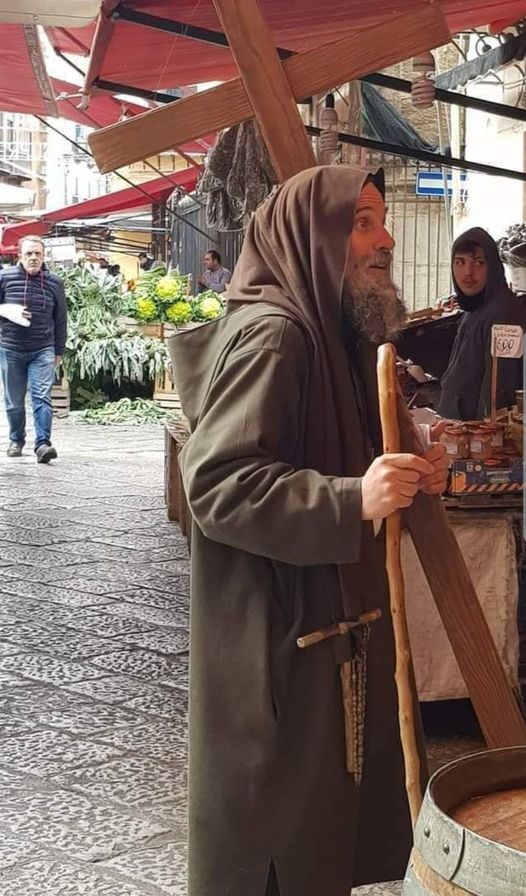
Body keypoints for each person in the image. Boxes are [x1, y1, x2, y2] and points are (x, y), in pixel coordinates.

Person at [169, 166, 448, 896]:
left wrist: (413, 467)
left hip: (319, 642)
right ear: (309, 237)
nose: (384, 239)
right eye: (361, 221)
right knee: (278, 854)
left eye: (380, 220)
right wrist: (353, 498)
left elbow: (333, 452)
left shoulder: (329, 334)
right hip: (278, 653)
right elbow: (219, 481)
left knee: (319, 845)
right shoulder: (275, 337)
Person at [438, 227, 526, 420]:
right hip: (456, 428)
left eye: (479, 263)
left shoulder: (505, 312)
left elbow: (499, 387)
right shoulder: (475, 305)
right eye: (460, 262)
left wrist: (487, 440)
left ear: (493, 266)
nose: (468, 272)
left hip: (477, 436)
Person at [0, 235, 67, 463]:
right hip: (11, 348)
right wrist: (7, 312)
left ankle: (43, 444)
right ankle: (16, 439)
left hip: (43, 349)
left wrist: (59, 350)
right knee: (14, 401)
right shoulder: (4, 278)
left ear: (43, 256)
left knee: (41, 396)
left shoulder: (54, 282)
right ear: (20, 255)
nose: (33, 258)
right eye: (29, 253)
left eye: (37, 253)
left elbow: (61, 319)